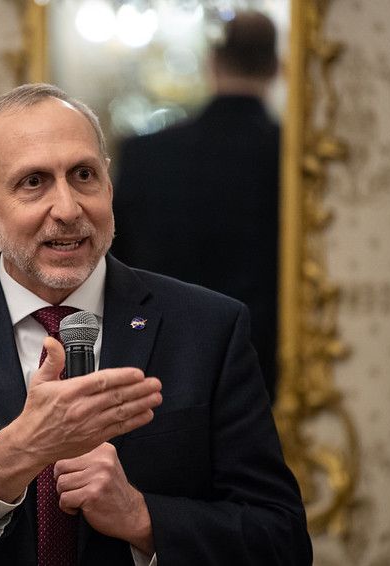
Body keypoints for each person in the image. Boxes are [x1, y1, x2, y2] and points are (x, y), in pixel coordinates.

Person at [0, 83, 310, 565]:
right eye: (33, 182)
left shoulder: (209, 329)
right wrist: (14, 454)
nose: (69, 208)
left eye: (83, 175)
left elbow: (281, 541)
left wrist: (142, 518)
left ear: (109, 187)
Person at [110, 11, 281, 401]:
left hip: (156, 354)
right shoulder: (291, 158)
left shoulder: (146, 154)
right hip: (261, 357)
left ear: (212, 64)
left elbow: (116, 257)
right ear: (276, 68)